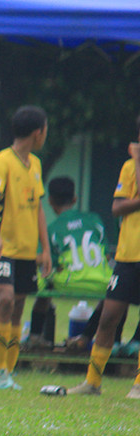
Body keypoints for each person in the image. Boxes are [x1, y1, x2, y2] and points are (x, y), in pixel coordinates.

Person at [68, 114, 140, 399]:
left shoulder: (134, 163)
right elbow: (117, 208)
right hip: (126, 255)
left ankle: (137, 385)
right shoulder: (127, 167)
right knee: (109, 317)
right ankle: (92, 381)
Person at [0, 105, 53, 390]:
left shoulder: (34, 164)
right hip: (5, 249)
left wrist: (45, 249)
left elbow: (38, 209)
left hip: (27, 251)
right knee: (5, 300)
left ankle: (9, 372)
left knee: (18, 308)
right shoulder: (3, 160)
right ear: (38, 132)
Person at [27, 176, 110, 349]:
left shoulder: (52, 229)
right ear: (74, 199)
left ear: (49, 200)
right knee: (113, 296)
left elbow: (48, 262)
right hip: (101, 283)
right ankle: (86, 338)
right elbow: (107, 255)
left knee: (45, 286)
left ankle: (34, 337)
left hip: (68, 282)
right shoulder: (94, 219)